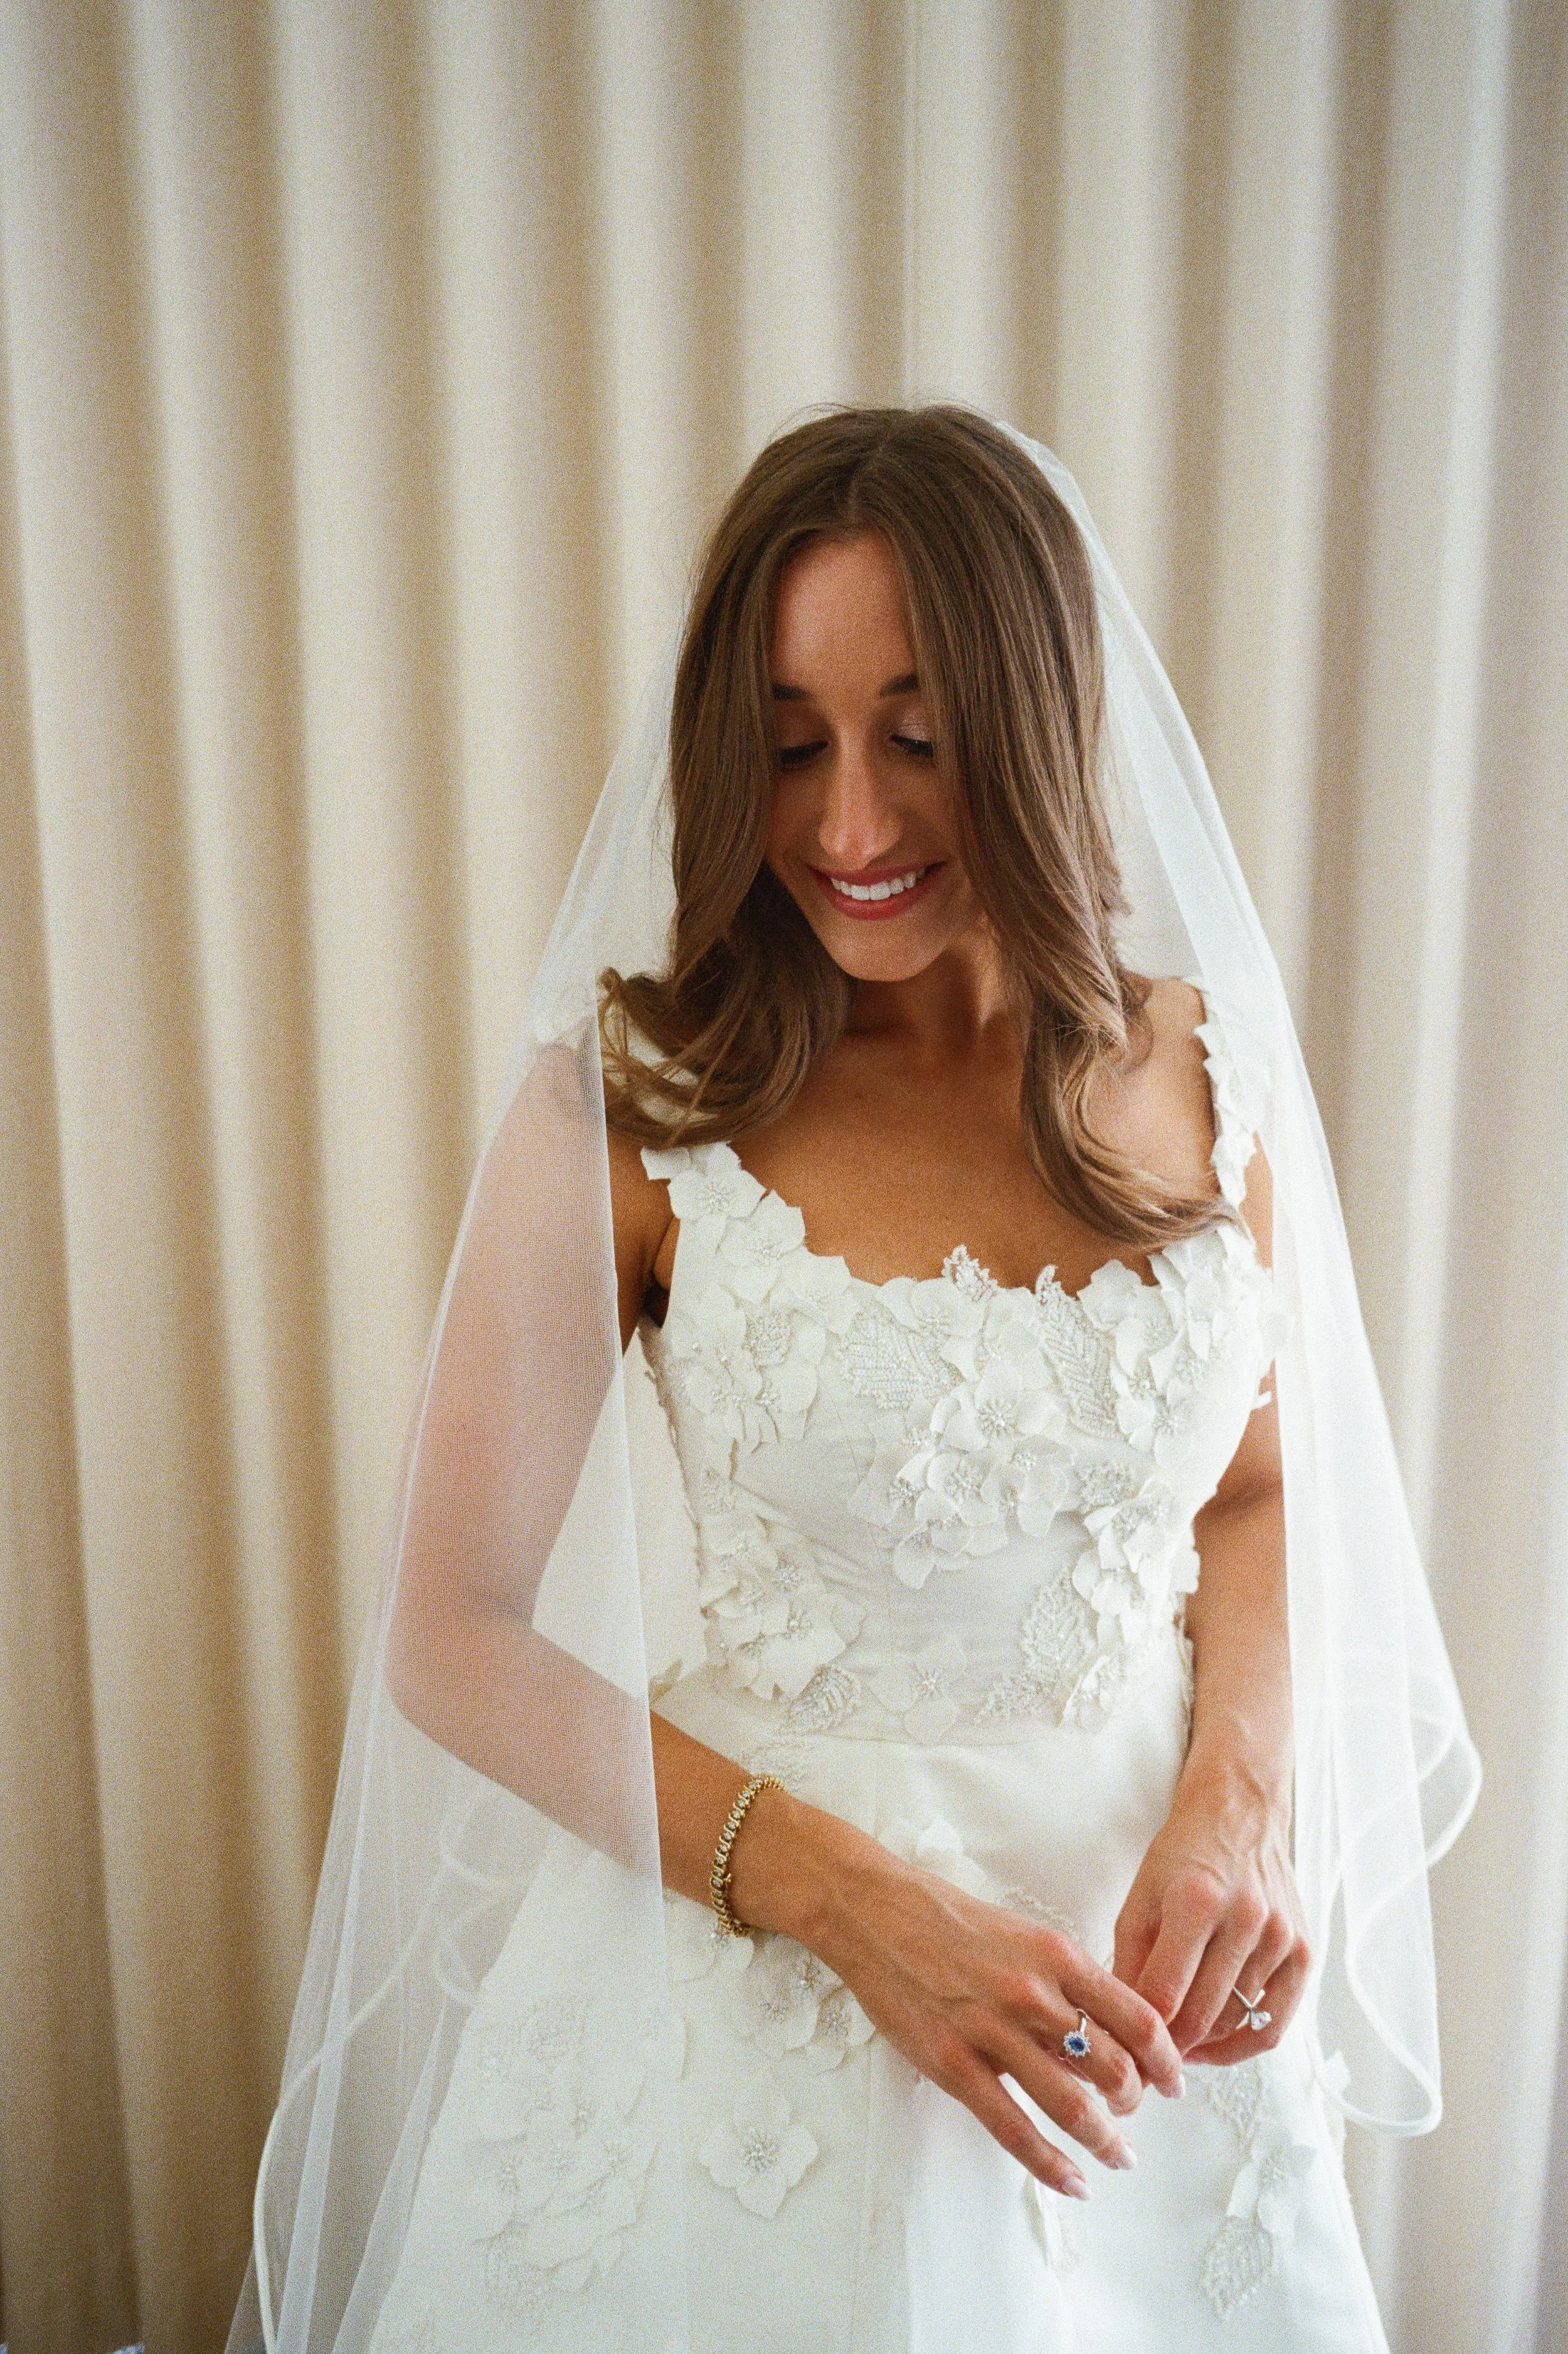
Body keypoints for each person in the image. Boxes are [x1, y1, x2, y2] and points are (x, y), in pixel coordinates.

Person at [233, 408, 1478, 2354]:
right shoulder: (621, 1117)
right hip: (746, 1993)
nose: (848, 826)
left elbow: (1253, 1485)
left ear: (1036, 719)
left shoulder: (1202, 1075)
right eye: (788, 743)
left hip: (1128, 1988)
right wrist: (848, 1906)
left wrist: (1233, 1809)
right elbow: (452, 1639)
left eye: (917, 732)